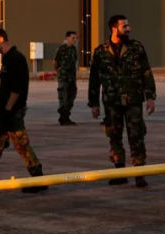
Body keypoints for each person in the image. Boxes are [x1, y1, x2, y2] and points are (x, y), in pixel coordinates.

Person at [0, 28, 47, 193]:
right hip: (6, 110)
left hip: (12, 111)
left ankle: (39, 178)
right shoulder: (7, 58)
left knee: (19, 144)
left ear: (0, 40)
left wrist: (7, 110)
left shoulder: (15, 58)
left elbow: (16, 88)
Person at [88, 15, 156, 188]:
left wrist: (150, 97)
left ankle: (139, 173)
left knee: (137, 136)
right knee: (114, 136)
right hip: (111, 102)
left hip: (133, 100)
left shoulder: (136, 48)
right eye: (124, 26)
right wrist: (94, 103)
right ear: (114, 28)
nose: (128, 28)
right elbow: (94, 79)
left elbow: (146, 73)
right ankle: (119, 172)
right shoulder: (101, 51)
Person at [54, 31, 79, 125]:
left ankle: (66, 116)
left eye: (76, 38)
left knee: (71, 96)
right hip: (64, 78)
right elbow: (55, 62)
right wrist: (60, 73)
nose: (75, 40)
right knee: (64, 97)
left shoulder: (73, 49)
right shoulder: (61, 49)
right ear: (67, 38)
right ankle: (64, 118)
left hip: (72, 77)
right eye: (73, 38)